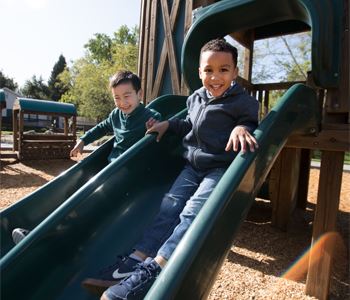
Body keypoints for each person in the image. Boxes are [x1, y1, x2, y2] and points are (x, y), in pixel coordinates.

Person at [84, 38, 259, 300]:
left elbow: (250, 121)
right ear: (200, 72)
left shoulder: (243, 102)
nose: (215, 76)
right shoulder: (196, 98)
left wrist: (241, 127)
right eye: (208, 70)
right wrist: (168, 125)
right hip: (192, 166)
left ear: (234, 72)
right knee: (168, 208)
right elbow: (189, 123)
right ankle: (134, 260)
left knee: (190, 213)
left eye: (224, 69)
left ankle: (155, 268)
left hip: (218, 169)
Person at [11, 70, 161, 245]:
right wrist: (83, 140)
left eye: (127, 96)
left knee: (90, 202)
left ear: (139, 94)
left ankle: (49, 236)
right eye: (117, 98)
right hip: (110, 168)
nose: (122, 103)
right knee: (72, 189)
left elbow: (158, 134)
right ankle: (45, 230)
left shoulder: (150, 116)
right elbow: (100, 128)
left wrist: (155, 128)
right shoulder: (116, 115)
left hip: (128, 173)